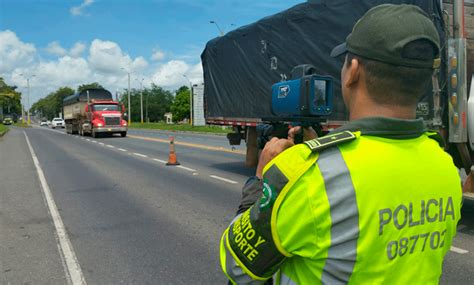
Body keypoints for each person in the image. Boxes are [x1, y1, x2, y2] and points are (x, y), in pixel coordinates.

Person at [219, 4, 462, 284]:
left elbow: (237, 267)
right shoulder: (446, 166)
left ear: (353, 71)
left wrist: (260, 180)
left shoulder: (308, 176)